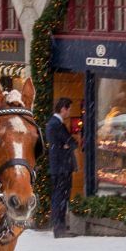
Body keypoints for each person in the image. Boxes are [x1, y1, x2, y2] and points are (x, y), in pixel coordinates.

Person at [47, 97, 79, 238]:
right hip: (61, 167)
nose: (69, 111)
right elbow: (71, 142)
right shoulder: (56, 124)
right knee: (60, 197)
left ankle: (59, 227)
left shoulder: (54, 124)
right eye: (69, 108)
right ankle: (59, 228)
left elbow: (68, 143)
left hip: (59, 167)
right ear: (62, 109)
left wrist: (67, 144)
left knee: (60, 197)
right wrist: (67, 145)